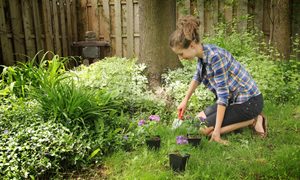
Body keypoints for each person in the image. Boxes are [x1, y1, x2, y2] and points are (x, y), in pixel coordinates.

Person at [169, 15, 267, 144]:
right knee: (197, 122)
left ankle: (254, 119)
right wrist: (185, 101)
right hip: (233, 100)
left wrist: (217, 131)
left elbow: (223, 96)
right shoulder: (203, 54)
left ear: (192, 45)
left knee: (203, 130)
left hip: (249, 102)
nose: (181, 58)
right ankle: (236, 122)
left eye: (181, 54)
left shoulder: (215, 57)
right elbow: (197, 77)